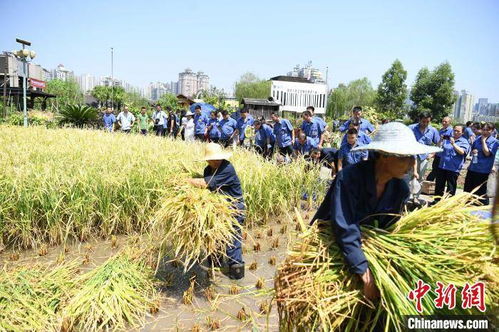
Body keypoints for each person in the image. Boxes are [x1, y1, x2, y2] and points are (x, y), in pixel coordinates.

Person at [312, 122, 441, 300]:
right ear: (384, 156)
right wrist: (365, 275)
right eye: (406, 157)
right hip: (331, 241)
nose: (412, 163)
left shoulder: (400, 189)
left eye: (413, 157)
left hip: (364, 243)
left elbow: (386, 228)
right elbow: (344, 226)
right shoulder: (349, 178)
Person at [187, 143, 245, 280]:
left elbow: (205, 184)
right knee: (214, 236)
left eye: (218, 158)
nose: (216, 160)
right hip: (218, 208)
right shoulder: (208, 170)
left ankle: (236, 273)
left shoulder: (227, 168)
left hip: (234, 208)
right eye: (213, 159)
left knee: (232, 239)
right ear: (207, 160)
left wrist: (186, 181)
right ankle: (215, 265)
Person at [434, 124, 471, 202]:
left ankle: (448, 203)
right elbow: (438, 147)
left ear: (462, 133)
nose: (456, 132)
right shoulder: (448, 139)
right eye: (455, 130)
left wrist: (453, 144)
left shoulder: (464, 141)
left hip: (453, 168)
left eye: (458, 131)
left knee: (451, 187)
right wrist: (441, 140)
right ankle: (436, 201)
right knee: (439, 185)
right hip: (442, 165)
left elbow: (462, 152)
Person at [464, 123, 498, 205]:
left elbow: (487, 153)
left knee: (480, 191)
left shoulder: (494, 141)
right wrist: (473, 152)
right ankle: (468, 205)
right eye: (483, 130)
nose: (485, 132)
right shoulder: (477, 139)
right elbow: (473, 151)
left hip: (483, 170)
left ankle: (481, 207)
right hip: (473, 168)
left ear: (492, 131)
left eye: (487, 130)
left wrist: (483, 141)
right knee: (468, 189)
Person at [408, 112, 440, 196]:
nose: (425, 123)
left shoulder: (433, 131)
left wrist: (432, 154)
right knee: (409, 177)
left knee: (420, 178)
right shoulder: (411, 128)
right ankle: (406, 197)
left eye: (427, 122)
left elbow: (438, 143)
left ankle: (416, 197)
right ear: (419, 120)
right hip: (410, 157)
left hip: (423, 158)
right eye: (423, 121)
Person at [427, 116, 453, 181]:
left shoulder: (452, 131)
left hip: (445, 154)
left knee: (440, 173)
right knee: (435, 169)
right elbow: (438, 142)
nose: (443, 123)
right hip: (438, 154)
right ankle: (428, 184)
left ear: (450, 123)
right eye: (443, 121)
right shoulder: (441, 130)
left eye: (446, 122)